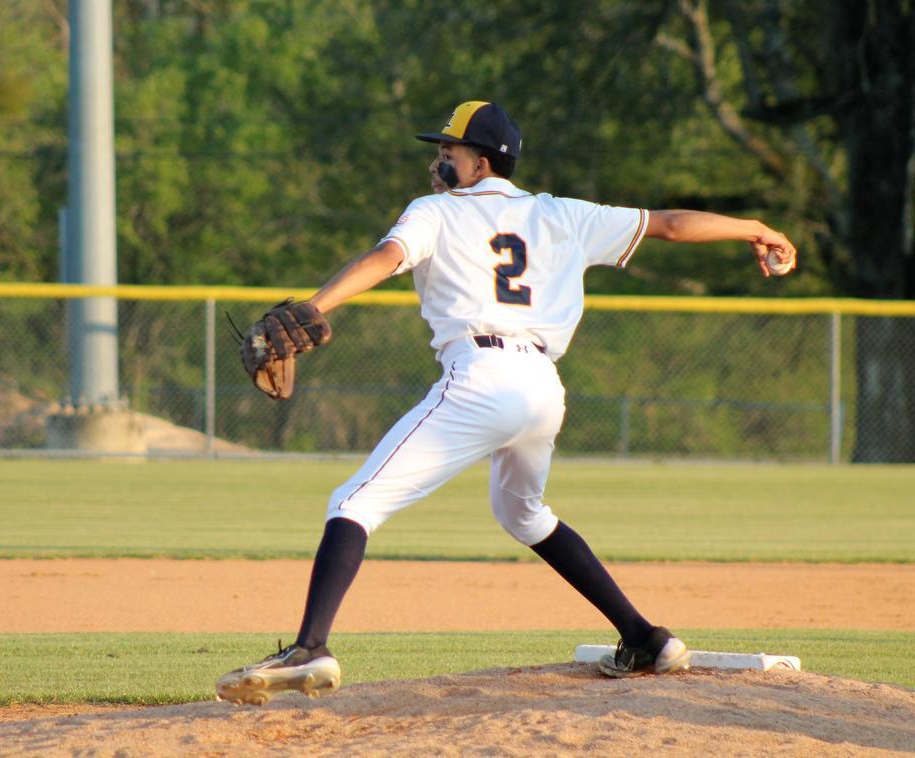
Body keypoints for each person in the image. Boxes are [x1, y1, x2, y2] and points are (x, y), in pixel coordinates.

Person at [216, 100, 797, 704]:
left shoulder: (436, 211)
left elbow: (385, 259)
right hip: (543, 387)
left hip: (482, 375)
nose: (439, 161)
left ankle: (310, 648)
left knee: (354, 500)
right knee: (522, 514)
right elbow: (670, 224)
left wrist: (315, 306)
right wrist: (756, 229)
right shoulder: (564, 214)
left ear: (482, 162)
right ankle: (645, 638)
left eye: (449, 151)